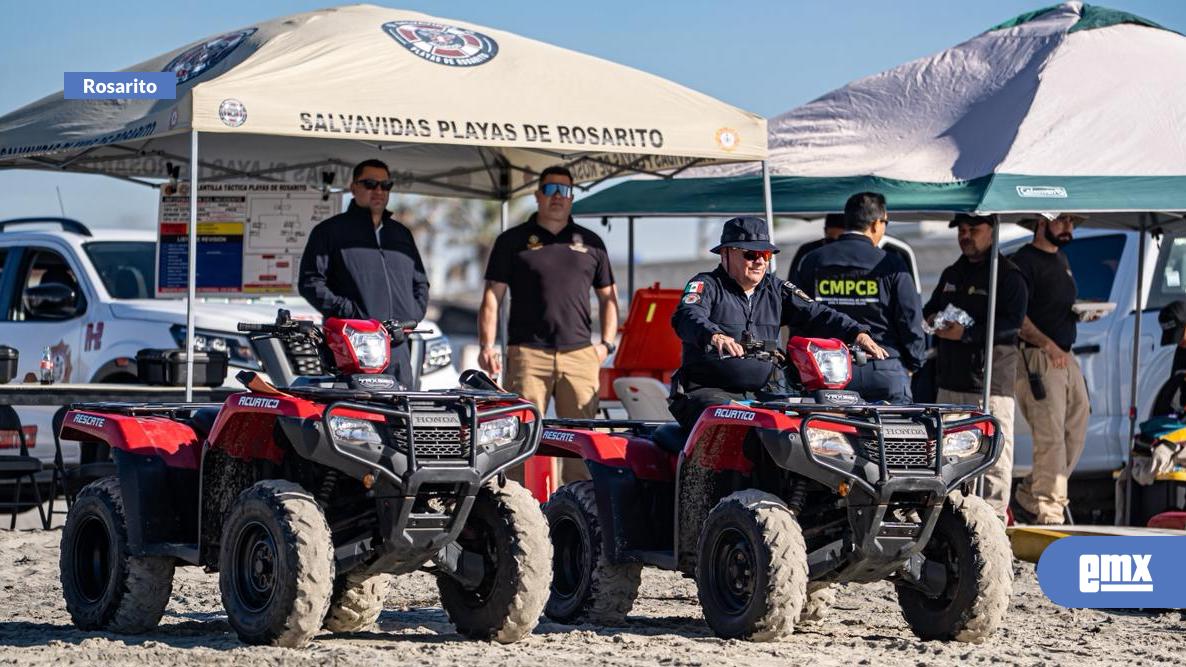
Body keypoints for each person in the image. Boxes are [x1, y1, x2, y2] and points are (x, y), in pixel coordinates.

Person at [669, 216, 887, 432]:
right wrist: (714, 335)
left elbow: (818, 313)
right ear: (726, 253)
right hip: (707, 393)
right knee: (736, 425)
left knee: (806, 427)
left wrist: (857, 333)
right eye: (751, 254)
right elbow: (688, 315)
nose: (760, 261)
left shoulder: (777, 289)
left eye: (765, 255)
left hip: (763, 394)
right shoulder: (706, 285)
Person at [478, 165, 618, 483]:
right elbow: (491, 298)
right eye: (551, 190)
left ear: (571, 198)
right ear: (538, 195)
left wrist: (605, 345)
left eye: (565, 191)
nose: (558, 197)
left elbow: (609, 298)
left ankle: (576, 520)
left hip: (580, 355)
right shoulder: (511, 240)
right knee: (521, 439)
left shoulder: (592, 243)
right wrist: (487, 345)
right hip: (528, 354)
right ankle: (518, 518)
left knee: (581, 443)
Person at [922, 214, 1028, 523]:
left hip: (990, 385)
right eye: (962, 231)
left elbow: (1013, 325)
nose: (966, 236)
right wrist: (933, 322)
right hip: (949, 381)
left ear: (992, 231)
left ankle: (993, 521)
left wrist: (967, 333)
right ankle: (951, 520)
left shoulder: (1008, 276)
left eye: (974, 230)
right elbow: (930, 309)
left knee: (993, 457)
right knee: (946, 455)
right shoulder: (953, 272)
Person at [298, 159, 429, 388]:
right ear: (354, 188)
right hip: (353, 350)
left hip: (397, 349)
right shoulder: (330, 231)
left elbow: (420, 284)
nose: (378, 190)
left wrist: (411, 317)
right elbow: (310, 282)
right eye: (370, 184)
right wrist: (350, 313)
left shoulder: (401, 234)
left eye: (385, 185)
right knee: (356, 419)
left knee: (401, 418)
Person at [793, 193, 925, 403]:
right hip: (884, 366)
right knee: (894, 434)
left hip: (828, 369)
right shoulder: (890, 263)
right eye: (885, 222)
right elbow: (911, 319)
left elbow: (797, 315)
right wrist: (913, 363)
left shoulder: (812, 260)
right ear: (875, 224)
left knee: (829, 434)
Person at [1008, 214, 1091, 525]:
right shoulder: (1024, 262)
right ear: (1042, 223)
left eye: (1071, 222)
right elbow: (1018, 318)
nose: (1068, 227)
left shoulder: (1062, 258)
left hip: (1065, 355)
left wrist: (1080, 316)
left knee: (1078, 425)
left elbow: (1054, 305)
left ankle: (1031, 493)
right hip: (1039, 358)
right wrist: (1048, 345)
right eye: (1062, 221)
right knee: (1051, 435)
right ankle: (1048, 510)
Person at [786, 213, 846, 280]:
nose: (834, 245)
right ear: (825, 231)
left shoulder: (852, 252)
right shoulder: (807, 250)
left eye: (840, 241)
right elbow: (792, 281)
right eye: (830, 240)